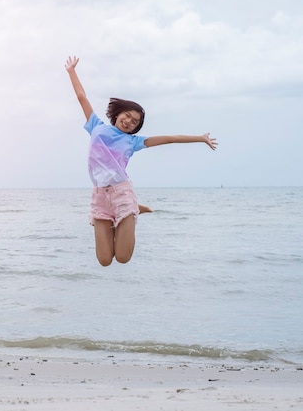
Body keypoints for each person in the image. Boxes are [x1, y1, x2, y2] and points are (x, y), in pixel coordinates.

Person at [65, 56, 217, 266]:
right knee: (105, 261)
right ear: (118, 114)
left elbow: (170, 139)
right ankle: (136, 207)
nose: (128, 122)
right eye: (127, 116)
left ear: (136, 128)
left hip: (121, 192)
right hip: (99, 195)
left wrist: (200, 138)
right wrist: (71, 71)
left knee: (123, 258)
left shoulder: (133, 141)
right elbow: (81, 97)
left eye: (134, 122)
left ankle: (132, 207)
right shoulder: (96, 126)